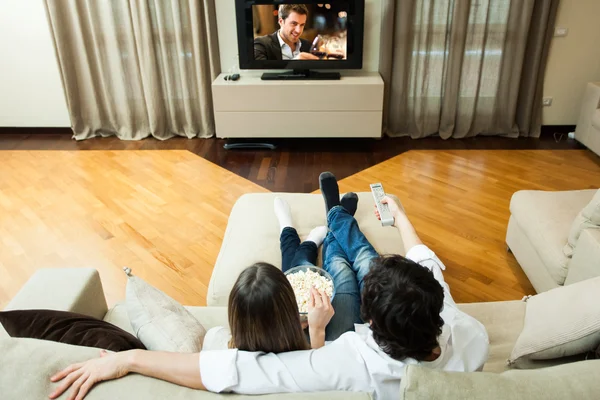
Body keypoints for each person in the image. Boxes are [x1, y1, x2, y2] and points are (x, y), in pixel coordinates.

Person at [49, 173, 489, 400]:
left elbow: (231, 369)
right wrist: (401, 214)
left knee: (344, 264)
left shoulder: (347, 364)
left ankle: (336, 219)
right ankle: (337, 219)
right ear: (434, 305)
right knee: (351, 261)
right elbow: (424, 261)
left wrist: (130, 359)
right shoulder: (471, 335)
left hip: (342, 323)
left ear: (371, 322)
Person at [254, 4, 319, 61]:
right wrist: (295, 64)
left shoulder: (308, 46)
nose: (298, 30)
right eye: (294, 23)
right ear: (281, 22)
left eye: (302, 25)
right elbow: (259, 72)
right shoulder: (262, 45)